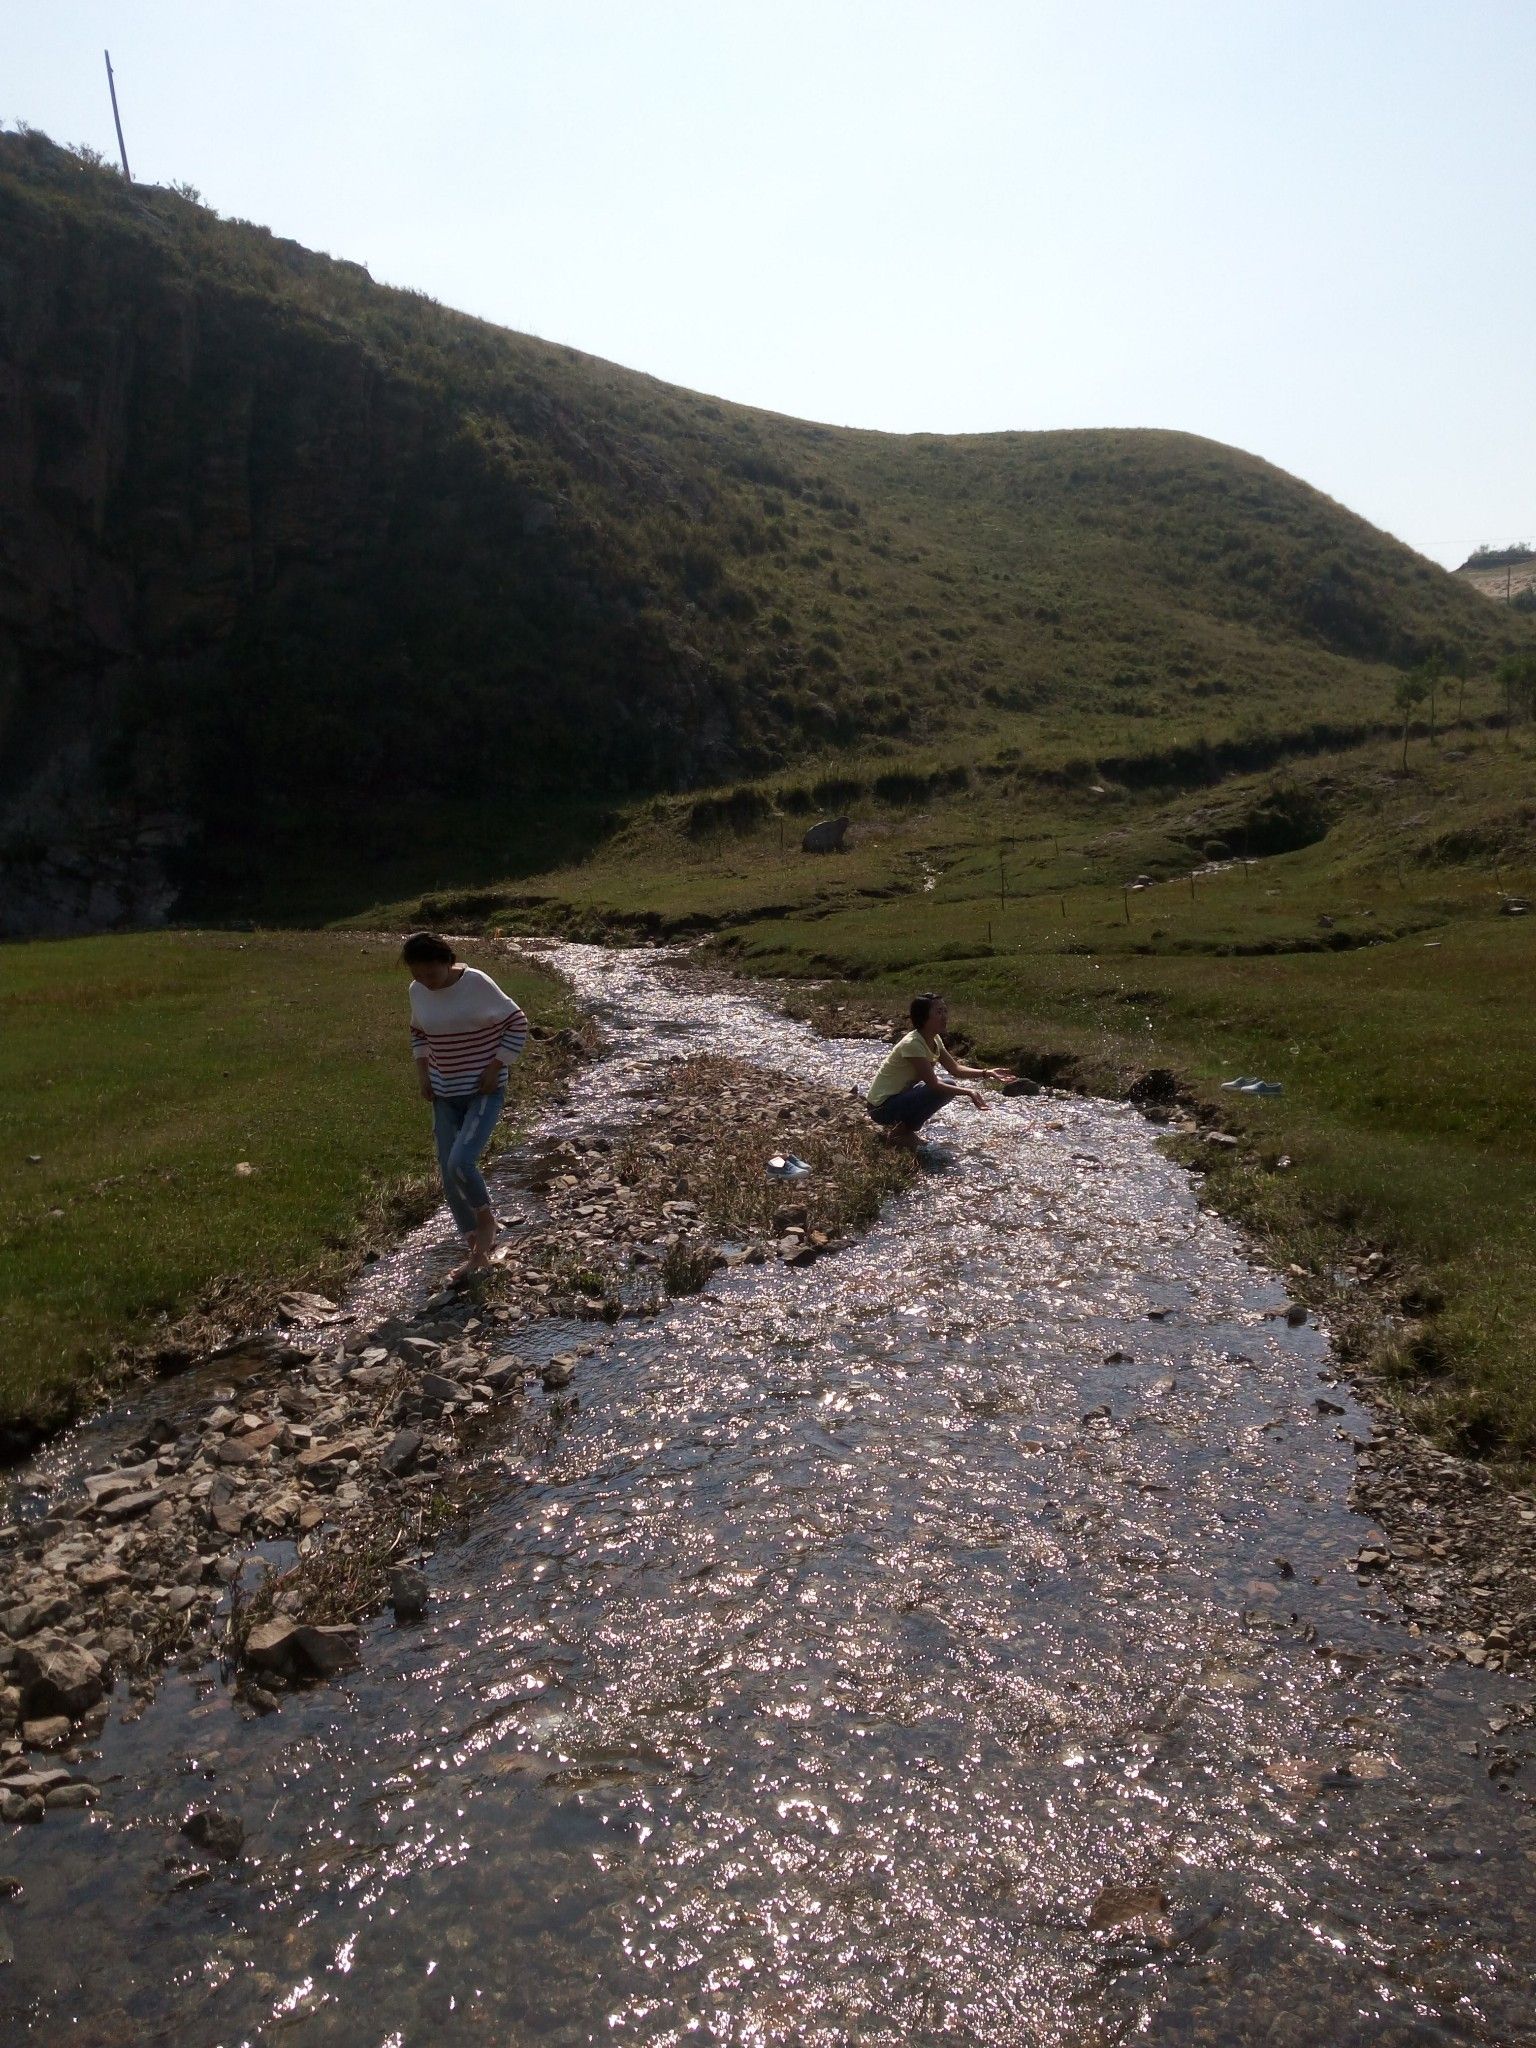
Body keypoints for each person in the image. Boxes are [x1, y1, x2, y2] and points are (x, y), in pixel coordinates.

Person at [402, 932, 529, 1279]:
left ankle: (487, 1223)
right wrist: (423, 1074)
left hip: (482, 1091)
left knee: (462, 1161)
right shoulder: (417, 991)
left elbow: (517, 1022)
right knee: (448, 1170)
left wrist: (497, 1065)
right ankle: (475, 1247)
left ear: (448, 961)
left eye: (432, 974)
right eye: (417, 975)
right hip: (444, 1092)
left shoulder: (476, 983)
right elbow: (419, 1033)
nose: (425, 982)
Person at [865, 993, 1015, 1149]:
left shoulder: (934, 1038)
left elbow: (955, 1069)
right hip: (880, 1108)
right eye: (938, 1012)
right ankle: (901, 1134)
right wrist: (969, 1092)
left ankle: (903, 1131)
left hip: (898, 1098)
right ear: (923, 1017)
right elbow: (933, 1084)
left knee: (946, 1085)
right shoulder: (912, 1044)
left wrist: (987, 1072)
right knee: (944, 1088)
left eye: (945, 1011)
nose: (944, 1016)